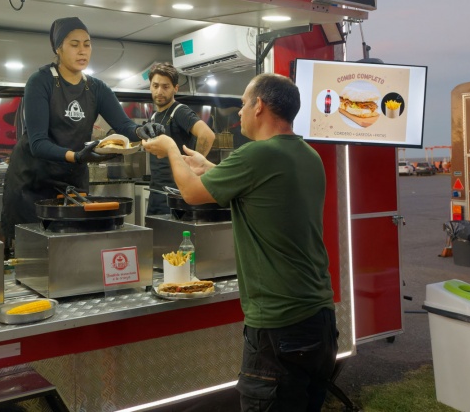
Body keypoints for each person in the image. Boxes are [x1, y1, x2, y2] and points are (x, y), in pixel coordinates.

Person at [142, 73, 337, 411]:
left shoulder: (257, 156)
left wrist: (171, 148)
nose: (240, 113)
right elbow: (255, 186)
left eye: (245, 104)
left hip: (278, 327)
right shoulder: (308, 155)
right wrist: (207, 166)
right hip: (319, 319)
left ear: (259, 106)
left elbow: (189, 193)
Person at [1, 17, 165, 255]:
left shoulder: (96, 88)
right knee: (33, 255)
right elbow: (37, 143)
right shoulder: (41, 82)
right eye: (74, 44)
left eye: (87, 44)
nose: (82, 50)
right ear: (58, 48)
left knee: (74, 250)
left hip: (72, 182)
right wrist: (78, 156)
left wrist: (142, 130)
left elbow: (124, 124)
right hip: (32, 183)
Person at [145, 62, 215, 216]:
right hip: (156, 192)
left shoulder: (179, 111)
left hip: (176, 194)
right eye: (155, 86)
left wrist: (194, 167)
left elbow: (207, 135)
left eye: (165, 86)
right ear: (150, 86)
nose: (159, 91)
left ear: (175, 88)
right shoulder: (154, 116)